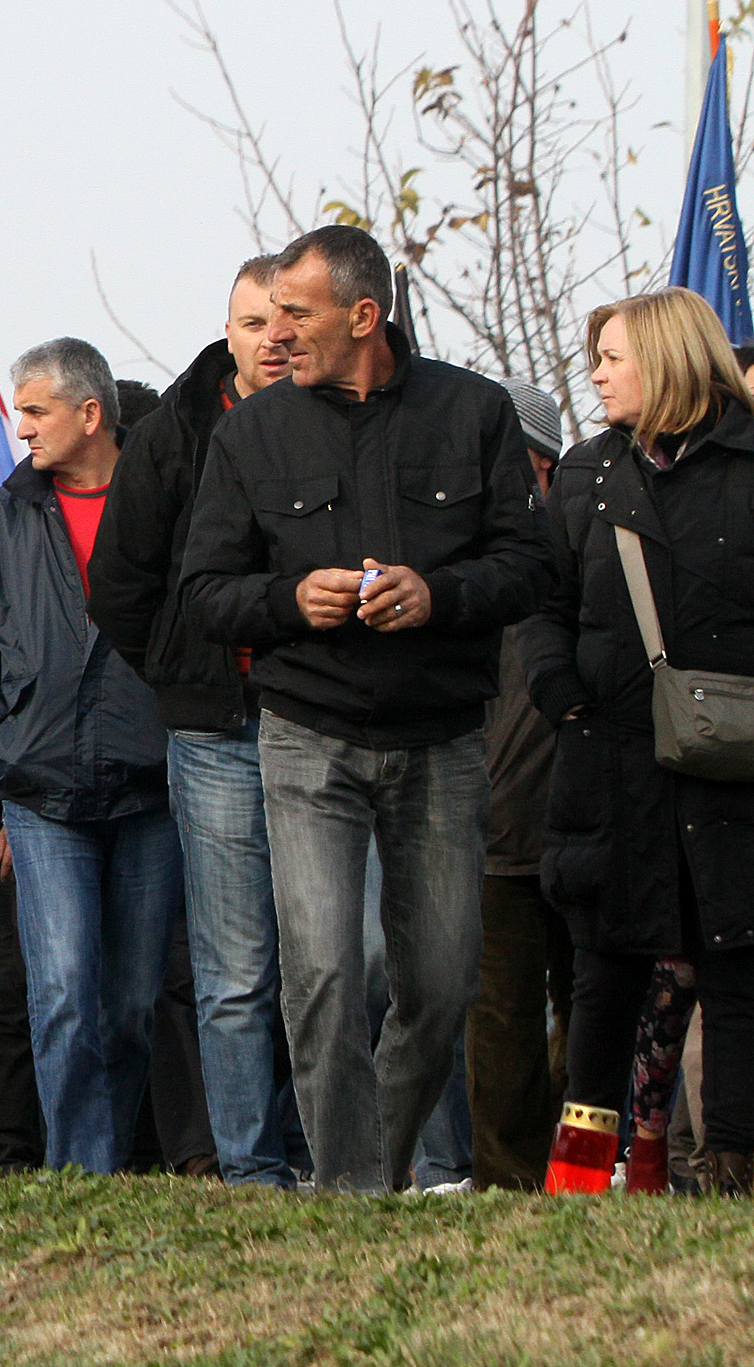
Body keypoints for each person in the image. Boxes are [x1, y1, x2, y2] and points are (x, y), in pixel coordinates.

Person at [179, 224, 556, 1192]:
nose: (277, 335)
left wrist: (438, 595)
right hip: (307, 739)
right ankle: (348, 1202)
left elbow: (528, 566)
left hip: (440, 741)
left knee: (436, 989)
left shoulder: (473, 412)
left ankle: (366, 1174)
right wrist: (285, 601)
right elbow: (203, 589)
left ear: (363, 314)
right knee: (324, 979)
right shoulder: (248, 431)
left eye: (296, 313)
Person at [0, 338, 176, 1172]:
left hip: (150, 791)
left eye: (34, 410)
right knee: (63, 991)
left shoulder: (165, 505)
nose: (20, 425)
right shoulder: (0, 515)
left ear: (90, 413)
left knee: (134, 1002)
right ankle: (81, 1169)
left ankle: (107, 1155)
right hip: (40, 794)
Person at [534, 289, 754, 1194]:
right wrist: (563, 696)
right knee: (603, 973)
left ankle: (737, 1165)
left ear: (664, 358)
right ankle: (580, 1178)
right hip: (609, 767)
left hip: (733, 771)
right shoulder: (585, 474)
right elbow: (543, 604)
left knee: (740, 963)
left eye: (611, 356)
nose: (593, 372)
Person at [87, 255, 297, 1186]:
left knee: (338, 960)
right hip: (211, 729)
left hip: (317, 717)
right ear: (229, 331)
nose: (273, 338)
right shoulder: (174, 433)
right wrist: (179, 671)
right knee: (232, 966)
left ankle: (332, 1151)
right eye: (252, 322)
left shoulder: (336, 423)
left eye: (287, 319)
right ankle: (250, 1164)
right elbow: (121, 585)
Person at [463, 380, 574, 1190]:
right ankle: (507, 1184)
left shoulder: (588, 533)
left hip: (589, 820)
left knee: (594, 1007)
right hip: (492, 827)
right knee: (496, 1017)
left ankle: (581, 1172)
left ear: (539, 462)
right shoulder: (444, 552)